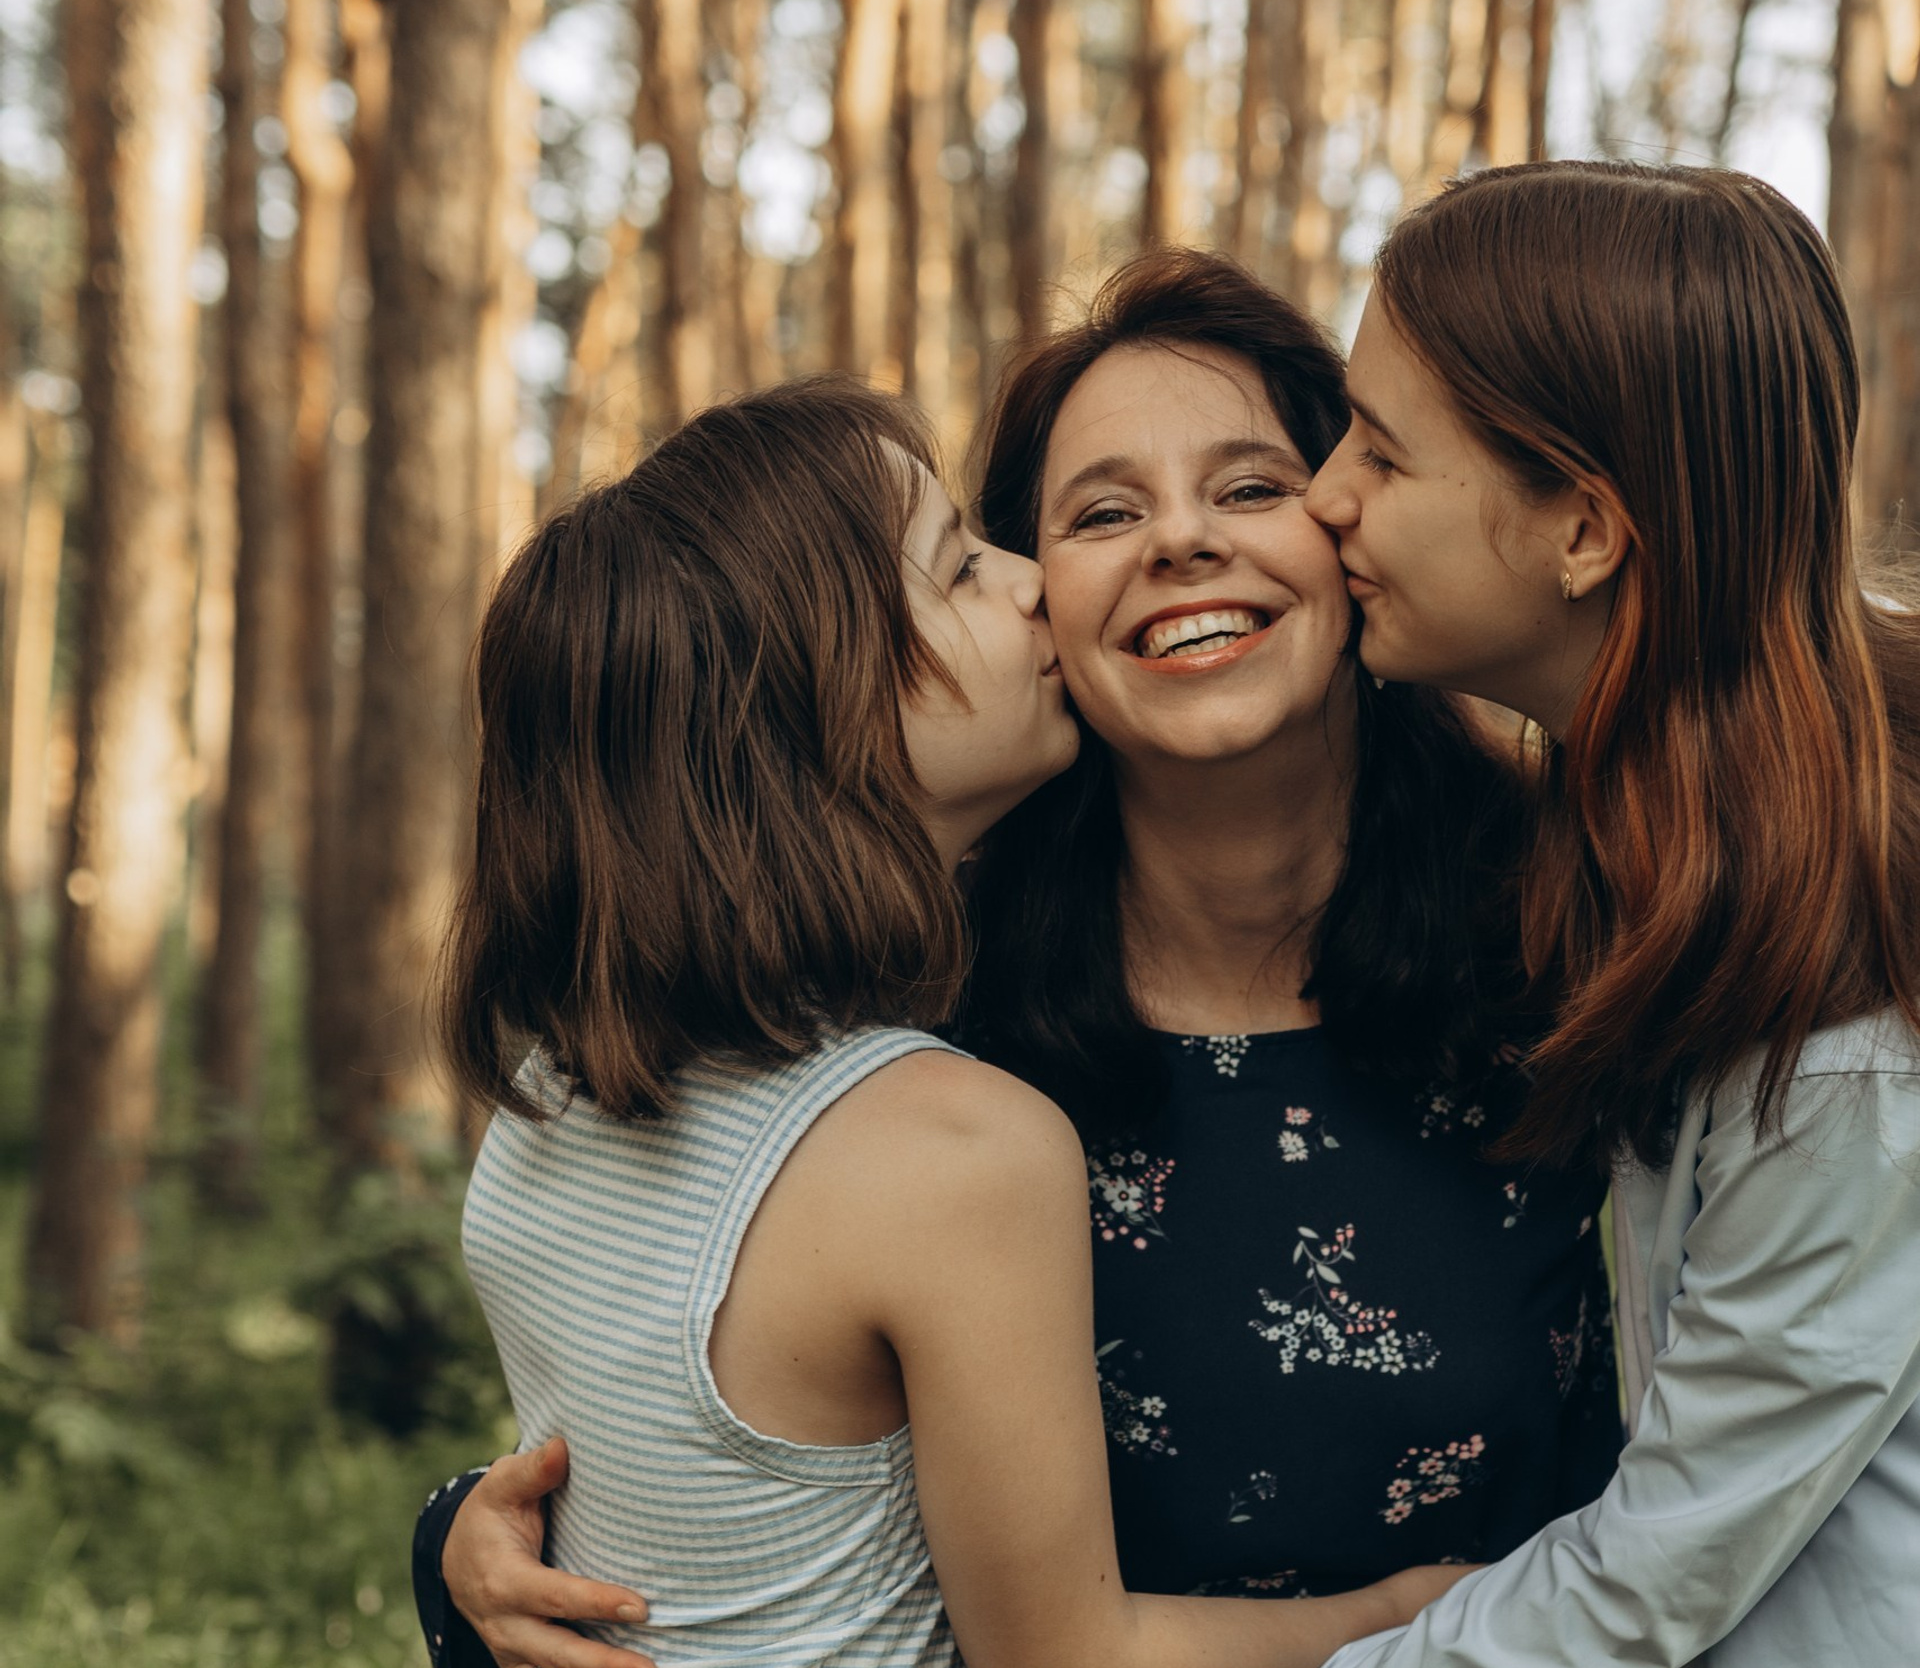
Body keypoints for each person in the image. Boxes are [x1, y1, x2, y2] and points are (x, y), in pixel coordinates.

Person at [420, 258, 1619, 1668]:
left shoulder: (1585, 917)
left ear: (1353, 532)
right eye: (1099, 514)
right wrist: (466, 1546)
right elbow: (692, 1399)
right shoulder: (893, 1016)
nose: (1177, 544)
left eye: (1248, 488)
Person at [1301, 158, 1920, 1665]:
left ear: (1584, 530)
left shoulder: (1845, 1030)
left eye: (1383, 454)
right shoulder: (1644, 826)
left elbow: (1650, 1584)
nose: (1326, 495)